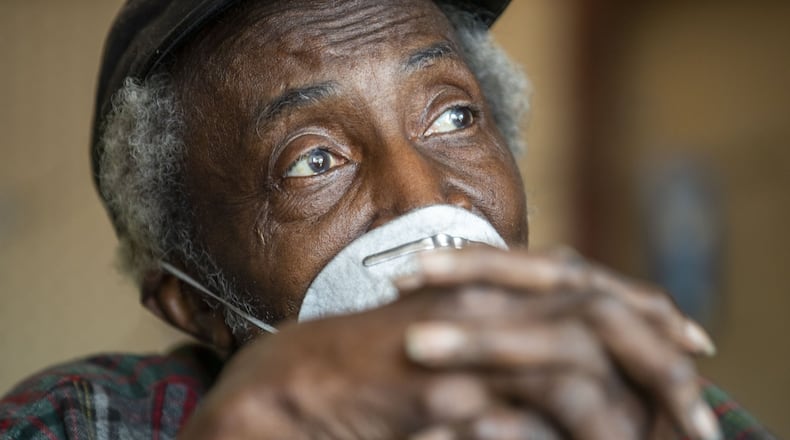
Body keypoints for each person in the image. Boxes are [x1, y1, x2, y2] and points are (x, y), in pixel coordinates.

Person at [0, 0, 773, 438]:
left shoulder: (651, 410)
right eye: (312, 161)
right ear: (196, 303)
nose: (426, 198)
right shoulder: (84, 421)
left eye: (454, 116)